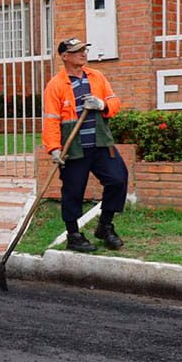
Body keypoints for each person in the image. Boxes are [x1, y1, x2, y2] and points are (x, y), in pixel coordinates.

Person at [42, 38, 127, 253]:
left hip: (100, 143)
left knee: (118, 179)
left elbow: (115, 103)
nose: (82, 53)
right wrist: (54, 148)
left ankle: (105, 226)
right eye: (76, 51)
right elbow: (51, 119)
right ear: (64, 56)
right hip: (74, 148)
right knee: (73, 192)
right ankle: (74, 235)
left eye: (83, 50)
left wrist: (102, 104)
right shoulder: (55, 85)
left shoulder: (97, 77)